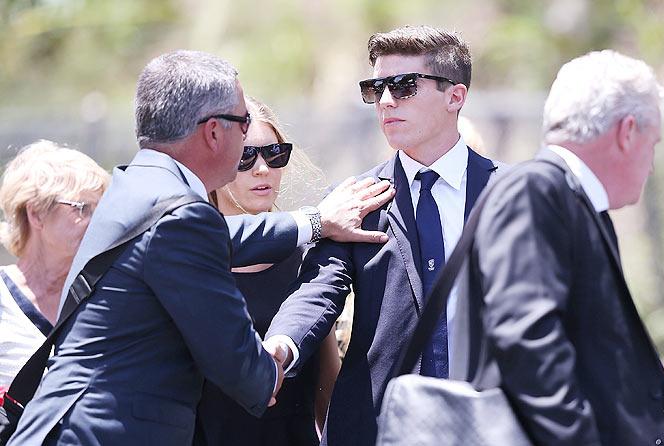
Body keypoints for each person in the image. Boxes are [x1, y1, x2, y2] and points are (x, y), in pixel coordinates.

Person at [7, 50, 393, 446]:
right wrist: (275, 359)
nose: (251, 142)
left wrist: (315, 220)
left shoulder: (137, 186)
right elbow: (243, 369)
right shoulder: (183, 218)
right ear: (213, 132)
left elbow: (225, 237)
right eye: (244, 125)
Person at [265, 25, 502, 445]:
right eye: (377, 88)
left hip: (491, 425)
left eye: (405, 85)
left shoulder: (511, 195)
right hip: (381, 430)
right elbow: (317, 291)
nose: (387, 101)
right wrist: (280, 347)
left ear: (456, 96)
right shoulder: (356, 201)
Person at [450, 50, 664, 445]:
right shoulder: (536, 190)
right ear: (627, 132)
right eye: (652, 145)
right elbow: (528, 338)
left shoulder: (569, 198)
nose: (651, 165)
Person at [193, 96, 340, 445]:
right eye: (245, 157)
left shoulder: (305, 254)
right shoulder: (190, 256)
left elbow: (326, 380)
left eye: (275, 154)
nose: (262, 169)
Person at [0, 140, 109, 393]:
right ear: (36, 214)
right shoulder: (4, 298)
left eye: (101, 210)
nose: (97, 222)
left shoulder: (105, 295)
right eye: (83, 208)